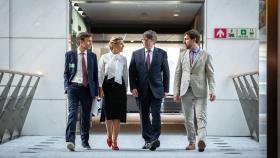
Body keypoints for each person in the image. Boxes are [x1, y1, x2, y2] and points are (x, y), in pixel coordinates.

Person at [173, 29, 216, 152]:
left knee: (201, 117)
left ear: (194, 39)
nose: (184, 41)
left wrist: (212, 90)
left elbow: (211, 75)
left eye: (186, 39)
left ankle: (201, 140)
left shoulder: (206, 55)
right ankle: (191, 142)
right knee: (188, 118)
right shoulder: (182, 55)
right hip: (185, 91)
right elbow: (178, 74)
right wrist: (176, 92)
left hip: (200, 90)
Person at [129, 30, 170, 151]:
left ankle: (154, 139)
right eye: (143, 40)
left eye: (146, 40)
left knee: (156, 114)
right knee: (144, 116)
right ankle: (147, 140)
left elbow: (166, 72)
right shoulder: (136, 54)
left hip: (157, 90)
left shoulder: (162, 53)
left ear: (153, 41)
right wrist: (133, 87)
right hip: (141, 91)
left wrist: (166, 89)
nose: (144, 42)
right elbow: (132, 73)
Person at [64, 32, 98, 151]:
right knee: (73, 113)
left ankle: (85, 141)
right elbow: (66, 73)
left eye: (90, 41)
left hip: (87, 89)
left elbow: (95, 75)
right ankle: (70, 141)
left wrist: (96, 92)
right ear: (81, 41)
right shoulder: (70, 54)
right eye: (88, 41)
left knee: (85, 116)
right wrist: (66, 87)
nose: (90, 43)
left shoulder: (92, 56)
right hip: (73, 87)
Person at [98, 37, 128, 150]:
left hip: (119, 87)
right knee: (108, 114)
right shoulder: (104, 57)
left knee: (118, 115)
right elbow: (100, 73)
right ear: (114, 45)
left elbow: (125, 74)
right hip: (107, 86)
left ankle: (115, 141)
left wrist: (126, 88)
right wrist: (100, 88)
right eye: (121, 44)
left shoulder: (124, 58)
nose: (123, 46)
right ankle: (109, 136)